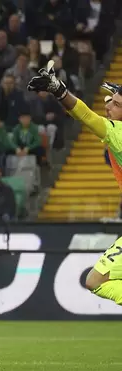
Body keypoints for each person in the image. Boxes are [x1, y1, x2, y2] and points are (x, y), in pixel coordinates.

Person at [27, 62, 122, 305]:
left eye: (116, 104)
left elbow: (87, 116)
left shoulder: (118, 133)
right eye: (110, 99)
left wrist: (59, 90)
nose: (108, 104)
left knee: (95, 281)